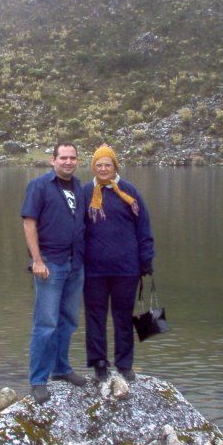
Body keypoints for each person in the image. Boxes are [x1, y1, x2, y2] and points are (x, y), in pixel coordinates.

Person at [21, 141, 88, 404]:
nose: (68, 162)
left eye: (72, 158)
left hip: (75, 263)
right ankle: (38, 379)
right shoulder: (39, 186)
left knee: (68, 320)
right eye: (63, 158)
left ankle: (61, 368)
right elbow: (29, 223)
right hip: (50, 263)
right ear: (53, 160)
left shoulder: (79, 187)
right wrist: (36, 260)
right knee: (45, 323)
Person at [82, 144, 155, 383]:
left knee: (123, 317)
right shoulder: (85, 193)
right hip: (93, 270)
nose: (103, 169)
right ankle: (99, 363)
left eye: (108, 164)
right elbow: (76, 230)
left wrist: (146, 260)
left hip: (126, 269)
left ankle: (124, 364)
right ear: (93, 168)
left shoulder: (129, 191)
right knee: (95, 316)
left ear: (115, 167)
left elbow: (144, 228)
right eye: (99, 165)